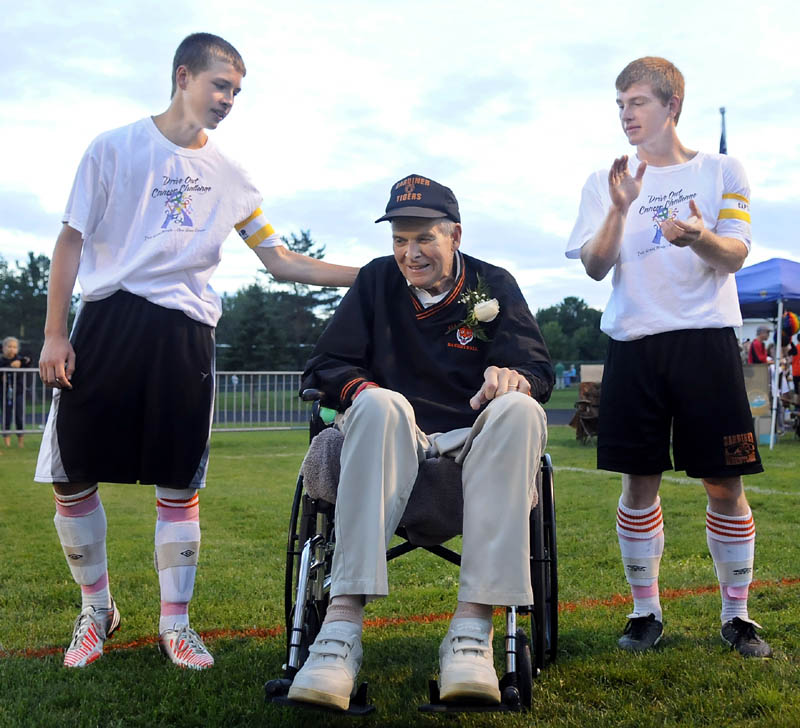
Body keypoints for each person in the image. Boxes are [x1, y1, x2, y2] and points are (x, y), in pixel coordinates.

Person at [34, 33, 359, 671]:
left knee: (178, 481)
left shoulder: (231, 175)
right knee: (72, 473)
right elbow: (70, 241)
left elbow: (280, 260)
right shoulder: (113, 148)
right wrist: (54, 332)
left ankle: (175, 624)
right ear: (183, 76)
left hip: (183, 335)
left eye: (237, 92)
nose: (229, 100)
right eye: (220, 86)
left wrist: (375, 273)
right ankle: (96, 609)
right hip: (105, 325)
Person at [287, 174, 553, 710]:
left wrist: (513, 378)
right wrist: (362, 391)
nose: (410, 253)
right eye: (399, 240)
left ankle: (472, 634)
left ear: (454, 234)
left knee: (521, 409)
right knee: (383, 402)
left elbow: (536, 368)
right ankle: (339, 633)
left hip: (469, 438)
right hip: (390, 435)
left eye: (424, 238)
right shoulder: (375, 282)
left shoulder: (493, 284)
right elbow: (327, 364)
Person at [566, 57, 770, 658]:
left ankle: (738, 617)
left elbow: (732, 255)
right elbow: (595, 265)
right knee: (639, 483)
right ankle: (644, 612)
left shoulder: (722, 170)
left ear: (671, 105)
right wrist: (619, 206)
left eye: (637, 102)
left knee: (724, 483)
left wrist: (697, 236)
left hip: (706, 341)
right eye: (621, 105)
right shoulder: (605, 179)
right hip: (633, 342)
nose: (626, 114)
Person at [1, 336, 32, 448]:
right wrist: (9, 366)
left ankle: (20, 442)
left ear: (17, 349)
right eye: (9, 346)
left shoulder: (20, 359)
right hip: (4, 394)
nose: (11, 349)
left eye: (14, 347)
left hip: (18, 392)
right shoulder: (1, 361)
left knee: (19, 416)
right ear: (3, 348)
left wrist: (19, 362)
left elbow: (29, 361)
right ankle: (7, 442)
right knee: (6, 416)